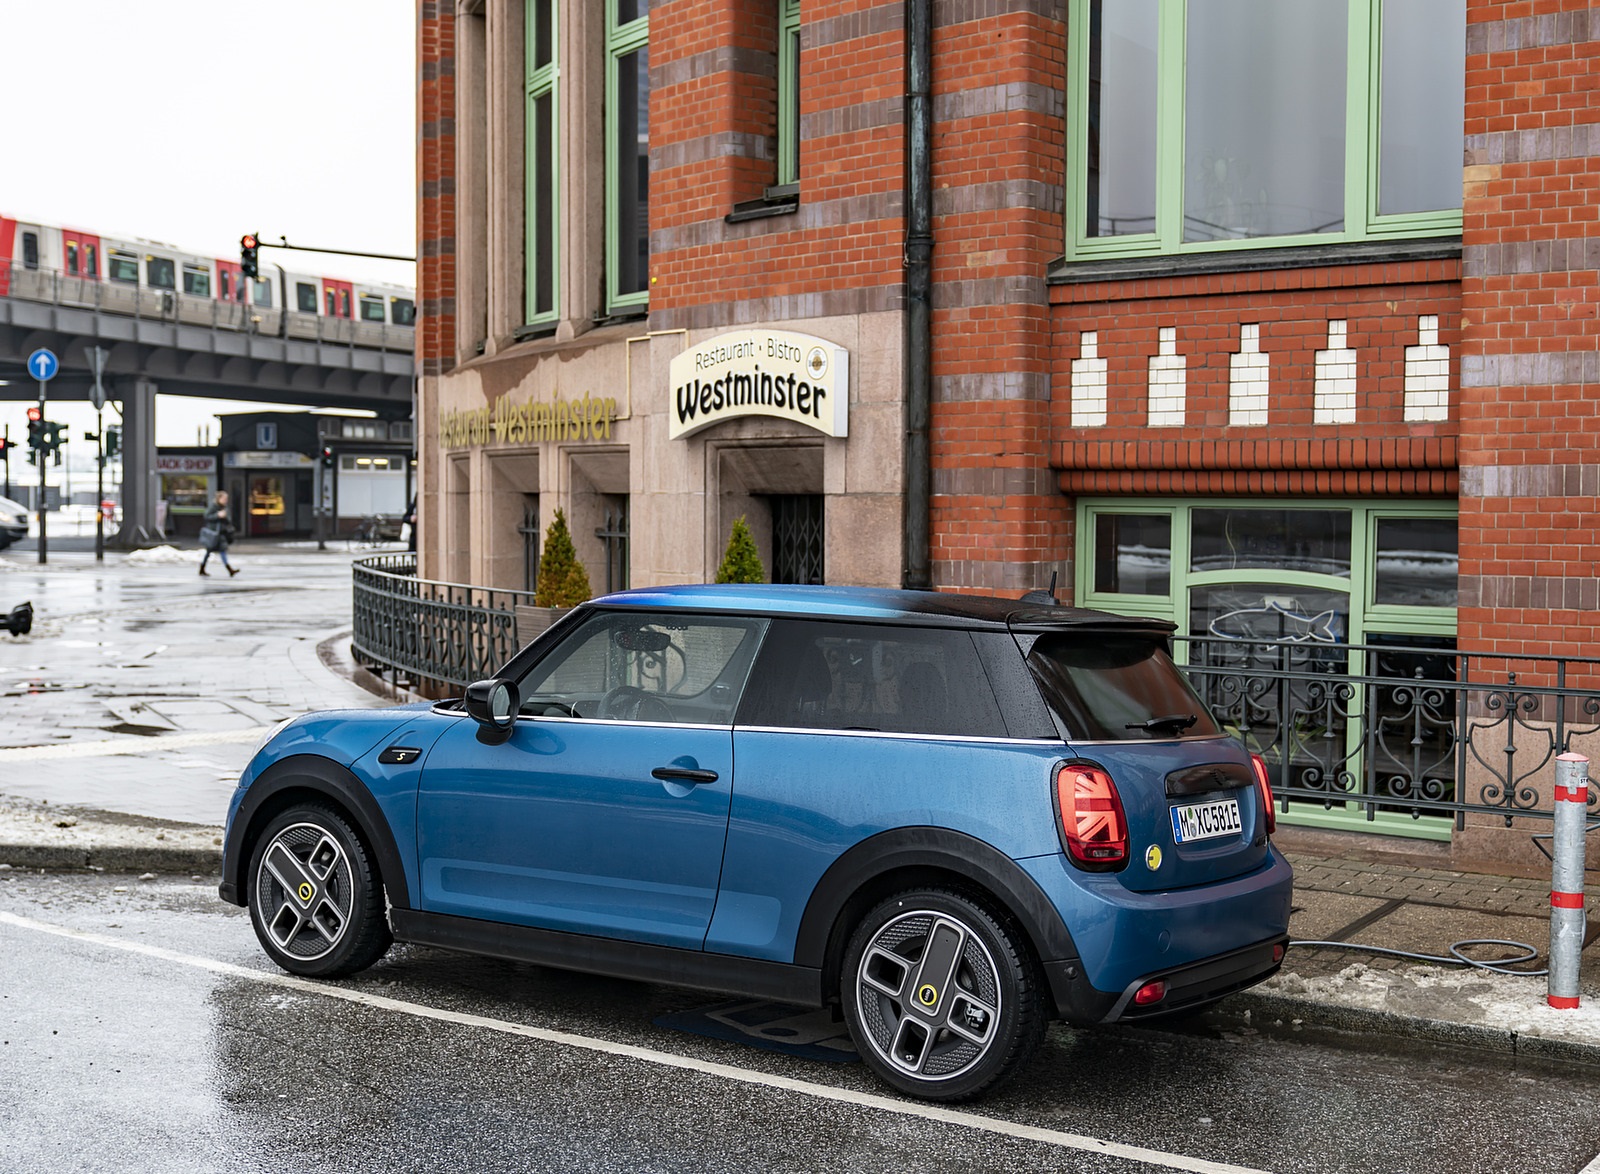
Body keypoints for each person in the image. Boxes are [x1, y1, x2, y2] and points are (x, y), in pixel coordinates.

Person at [199, 491, 239, 577]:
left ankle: (229, 569)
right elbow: (207, 516)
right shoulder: (213, 507)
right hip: (214, 533)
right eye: (224, 498)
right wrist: (217, 515)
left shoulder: (224, 508)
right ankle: (202, 568)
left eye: (226, 499)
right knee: (209, 551)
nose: (225, 500)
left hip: (221, 533)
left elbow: (228, 520)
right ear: (219, 498)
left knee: (222, 550)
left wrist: (225, 517)